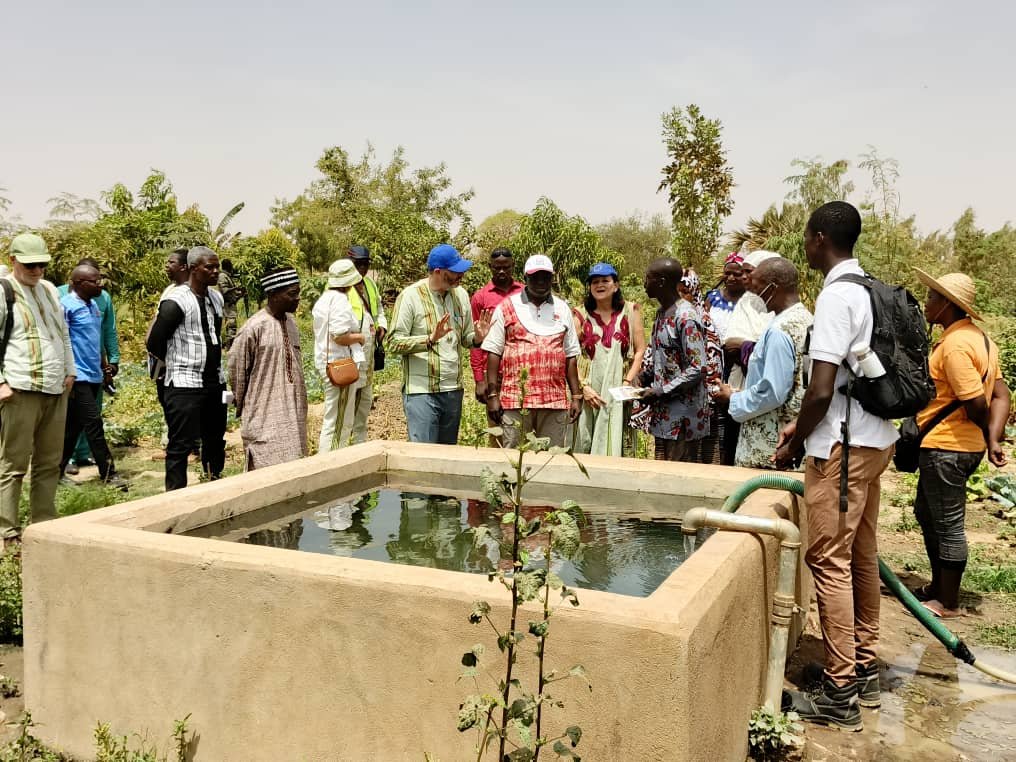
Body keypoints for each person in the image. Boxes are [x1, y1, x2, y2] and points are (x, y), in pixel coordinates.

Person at [775, 202, 898, 730]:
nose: (804, 245)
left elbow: (821, 390)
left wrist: (793, 440)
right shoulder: (874, 290)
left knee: (829, 561)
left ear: (819, 238)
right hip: (877, 442)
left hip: (840, 449)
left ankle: (840, 690)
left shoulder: (836, 298)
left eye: (806, 237)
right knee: (861, 553)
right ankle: (865, 665)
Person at [910, 268, 1010, 618]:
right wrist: (993, 439)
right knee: (925, 511)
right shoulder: (982, 340)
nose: (927, 302)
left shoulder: (954, 346)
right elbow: (1002, 393)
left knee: (948, 523)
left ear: (947, 305)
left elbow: (977, 403)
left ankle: (947, 601)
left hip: (947, 448)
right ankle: (938, 586)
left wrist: (987, 433)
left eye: (933, 297)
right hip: (961, 448)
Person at [0, 233, 76, 542]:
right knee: (12, 465)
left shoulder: (48, 290)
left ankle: (44, 527)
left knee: (49, 463)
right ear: (13, 261)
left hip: (55, 388)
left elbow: (63, 334)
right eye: (30, 265)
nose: (37, 271)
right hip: (20, 388)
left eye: (42, 265)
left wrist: (70, 372)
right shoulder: (5, 291)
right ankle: (6, 531)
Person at [386, 244, 490, 445]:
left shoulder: (460, 296)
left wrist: (478, 338)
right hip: (422, 392)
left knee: (446, 455)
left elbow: (466, 338)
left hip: (453, 390)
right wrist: (429, 339)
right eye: (455, 272)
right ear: (438, 272)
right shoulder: (410, 297)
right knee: (422, 455)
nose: (461, 276)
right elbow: (393, 343)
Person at [714, 257, 813, 469]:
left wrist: (733, 398)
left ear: (773, 288)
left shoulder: (779, 330)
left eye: (758, 287)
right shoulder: (807, 319)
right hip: (792, 439)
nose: (754, 293)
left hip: (768, 445)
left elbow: (772, 392)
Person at [146, 246, 228, 490]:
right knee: (180, 443)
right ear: (193, 269)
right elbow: (155, 342)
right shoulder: (176, 301)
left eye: (217, 267)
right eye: (209, 267)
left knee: (215, 439)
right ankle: (175, 496)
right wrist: (170, 368)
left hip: (214, 381)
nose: (215, 272)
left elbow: (215, 331)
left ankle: (213, 483)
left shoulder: (216, 298)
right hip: (184, 382)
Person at [483, 255, 582, 449]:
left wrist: (576, 397)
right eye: (535, 277)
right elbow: (493, 353)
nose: (540, 282)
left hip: (554, 401)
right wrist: (493, 396)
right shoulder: (507, 307)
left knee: (551, 459)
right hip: (515, 400)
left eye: (545, 277)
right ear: (525, 278)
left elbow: (570, 355)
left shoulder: (562, 308)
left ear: (552, 278)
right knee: (515, 458)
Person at [228, 268, 308, 469]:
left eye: (298, 292)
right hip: (263, 418)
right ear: (273, 294)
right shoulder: (254, 328)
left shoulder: (291, 323)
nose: (297, 298)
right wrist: (242, 406)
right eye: (292, 294)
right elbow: (237, 374)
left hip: (294, 414)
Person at [59, 264, 127, 489]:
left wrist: (105, 369)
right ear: (78, 283)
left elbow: (95, 341)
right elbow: (60, 341)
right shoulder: (66, 306)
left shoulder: (93, 307)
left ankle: (56, 472)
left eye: (100, 280)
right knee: (94, 424)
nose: (100, 284)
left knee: (73, 428)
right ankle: (109, 474)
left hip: (94, 375)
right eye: (94, 281)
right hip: (77, 377)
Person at [638, 258, 710, 462]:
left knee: (680, 477)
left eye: (648, 278)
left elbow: (698, 368)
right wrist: (646, 376)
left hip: (684, 419)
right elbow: (666, 358)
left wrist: (661, 390)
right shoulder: (662, 314)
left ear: (661, 281)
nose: (644, 284)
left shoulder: (685, 316)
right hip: (664, 416)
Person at [572, 262, 646, 456]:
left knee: (617, 438)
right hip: (590, 386)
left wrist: (627, 381)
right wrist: (583, 387)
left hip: (618, 385)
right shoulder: (579, 314)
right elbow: (570, 353)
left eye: (605, 280)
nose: (600, 285)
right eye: (595, 281)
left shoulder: (631, 311)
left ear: (616, 285)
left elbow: (640, 350)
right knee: (584, 438)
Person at [313, 259, 366, 452]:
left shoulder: (324, 299)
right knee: (340, 420)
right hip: (340, 365)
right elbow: (339, 336)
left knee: (332, 417)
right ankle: (334, 459)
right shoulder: (340, 301)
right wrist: (360, 337)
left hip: (326, 363)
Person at [676, 268, 723, 464]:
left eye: (685, 291)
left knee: (700, 461)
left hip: (699, 405)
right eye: (675, 291)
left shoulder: (702, 322)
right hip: (672, 406)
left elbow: (711, 365)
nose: (680, 297)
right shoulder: (669, 317)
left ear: (695, 292)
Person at [470, 248, 523, 407]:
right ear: (489, 266)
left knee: (525, 426)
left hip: (522, 371)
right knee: (497, 428)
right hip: (495, 376)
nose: (501, 271)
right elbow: (476, 340)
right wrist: (480, 379)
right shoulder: (480, 297)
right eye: (496, 267)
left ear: (513, 265)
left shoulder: (524, 292)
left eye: (506, 267)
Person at [347, 245, 388, 444]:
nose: (362, 268)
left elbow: (379, 307)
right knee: (345, 412)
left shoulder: (370, 283)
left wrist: (382, 326)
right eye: (358, 264)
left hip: (368, 356)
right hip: (348, 357)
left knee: (363, 408)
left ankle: (359, 447)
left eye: (365, 264)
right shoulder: (341, 286)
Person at [704, 252, 745, 343]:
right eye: (727, 273)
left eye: (736, 274)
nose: (730, 278)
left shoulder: (752, 301)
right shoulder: (711, 299)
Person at [216, 258, 243, 351]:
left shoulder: (227, 276)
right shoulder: (223, 276)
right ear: (228, 266)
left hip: (230, 305)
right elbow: (224, 291)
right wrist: (236, 288)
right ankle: (229, 348)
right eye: (231, 265)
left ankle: (229, 347)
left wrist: (239, 293)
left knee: (231, 327)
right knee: (231, 327)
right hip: (227, 306)